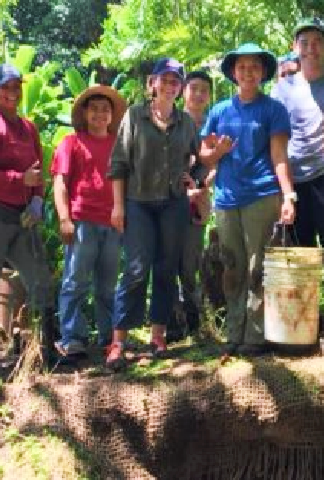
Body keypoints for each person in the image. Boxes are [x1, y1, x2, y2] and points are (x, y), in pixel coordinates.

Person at [200, 43, 296, 356]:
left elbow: (279, 156)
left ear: (264, 72)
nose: (248, 72)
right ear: (233, 73)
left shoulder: (273, 110)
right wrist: (218, 152)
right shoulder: (219, 111)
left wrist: (288, 195)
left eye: (254, 67)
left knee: (258, 266)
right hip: (226, 198)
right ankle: (234, 332)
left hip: (262, 194)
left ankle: (255, 336)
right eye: (242, 67)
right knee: (232, 265)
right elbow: (204, 157)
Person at [106, 58, 197, 368]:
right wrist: (118, 205)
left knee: (166, 267)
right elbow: (118, 163)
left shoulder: (185, 122)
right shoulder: (134, 116)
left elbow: (197, 158)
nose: (171, 86)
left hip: (174, 203)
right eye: (166, 80)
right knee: (135, 268)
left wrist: (193, 177)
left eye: (176, 82)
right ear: (153, 83)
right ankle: (118, 341)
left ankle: (157, 336)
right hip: (138, 201)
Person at [0, 63, 53, 373]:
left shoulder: (28, 127)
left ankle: (45, 348)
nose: (12, 93)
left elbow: (38, 170)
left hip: (22, 214)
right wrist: (20, 180)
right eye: (6, 87)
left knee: (40, 276)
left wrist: (39, 199)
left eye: (16, 87)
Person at [271, 18, 324, 327]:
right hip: (294, 180)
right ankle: (306, 323)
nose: (311, 48)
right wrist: (282, 188)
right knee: (301, 252)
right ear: (295, 48)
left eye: (317, 42)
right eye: (305, 42)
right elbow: (277, 139)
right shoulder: (282, 88)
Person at [51, 85, 127, 358]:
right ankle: (72, 338)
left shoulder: (119, 144)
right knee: (76, 281)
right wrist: (64, 219)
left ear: (111, 115)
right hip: (82, 220)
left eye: (105, 109)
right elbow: (59, 183)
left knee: (107, 286)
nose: (99, 114)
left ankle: (109, 338)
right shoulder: (71, 143)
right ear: (84, 113)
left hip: (112, 222)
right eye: (94, 108)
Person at [167, 70, 215, 342]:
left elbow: (217, 162)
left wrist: (202, 188)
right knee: (167, 261)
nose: (198, 94)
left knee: (190, 262)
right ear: (183, 90)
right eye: (193, 88)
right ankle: (172, 321)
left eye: (203, 90)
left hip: (199, 201)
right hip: (168, 199)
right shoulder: (170, 120)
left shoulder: (213, 124)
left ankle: (195, 321)